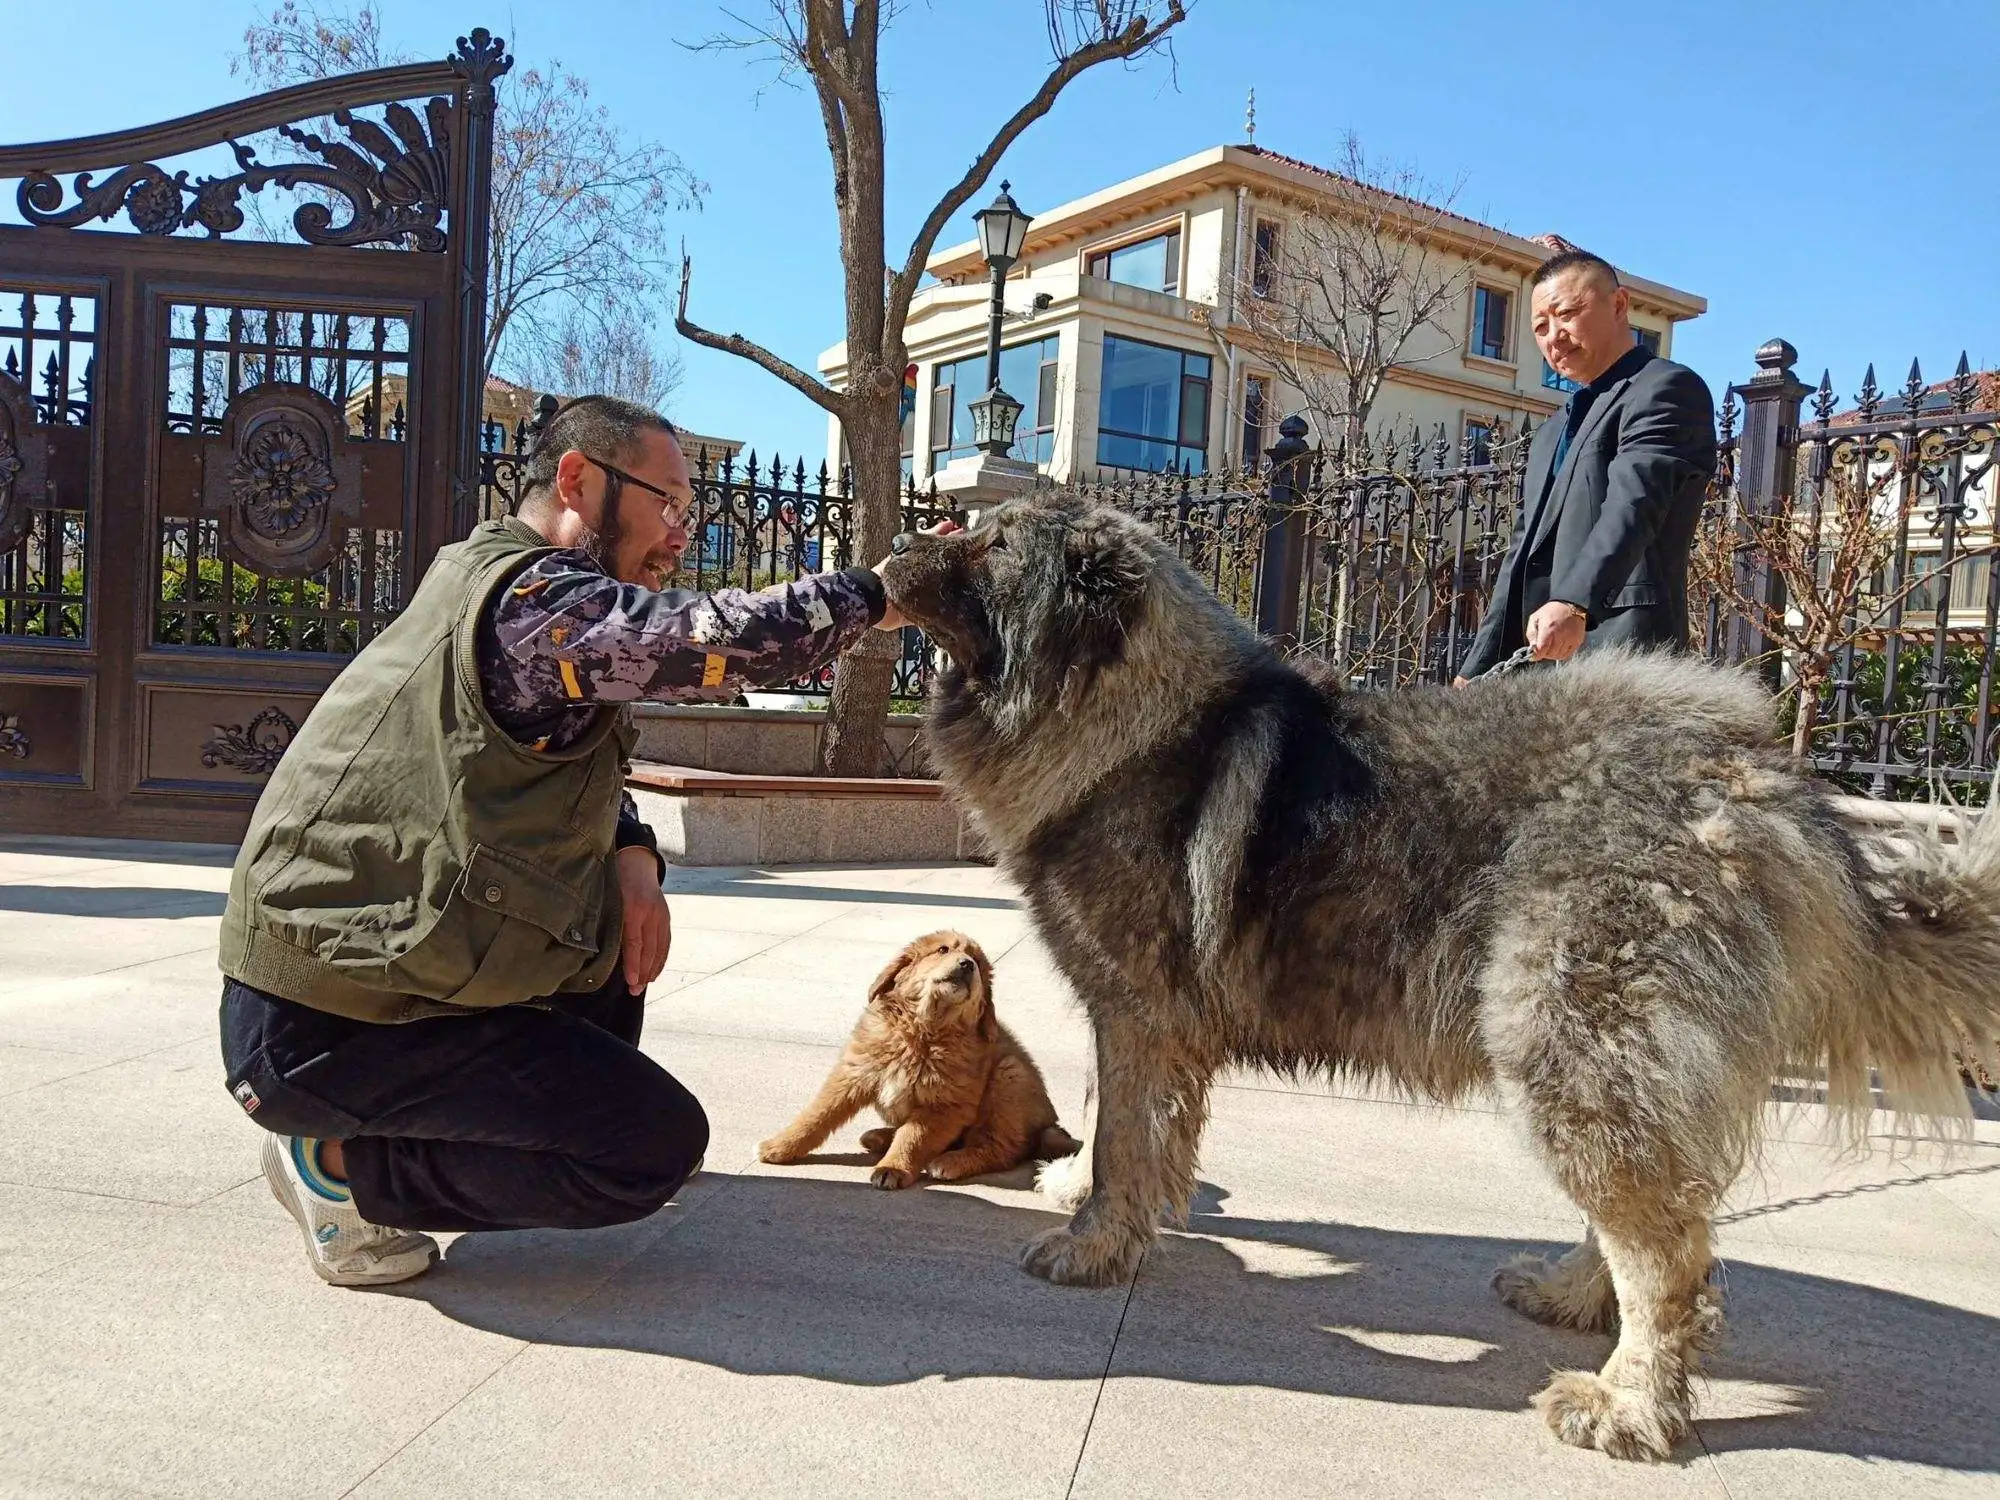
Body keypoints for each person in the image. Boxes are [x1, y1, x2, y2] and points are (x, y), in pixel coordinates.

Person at [218, 395, 929, 1285]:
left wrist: (633, 855)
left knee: (606, 946)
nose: (678, 534)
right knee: (646, 1151)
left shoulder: (519, 594)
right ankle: (340, 1174)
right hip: (320, 1025)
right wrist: (877, 592)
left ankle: (425, 1129)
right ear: (577, 481)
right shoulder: (530, 602)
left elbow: (571, 756)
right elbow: (710, 645)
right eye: (667, 503)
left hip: (376, 984)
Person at [1454, 249, 1716, 684]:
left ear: (1618, 305)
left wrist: (1576, 603)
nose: (1554, 336)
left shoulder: (1665, 389)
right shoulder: (1551, 431)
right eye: (1540, 326)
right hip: (1540, 663)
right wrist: (1476, 667)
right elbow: (1522, 551)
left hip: (1624, 653)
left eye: (1568, 313)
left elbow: (1633, 507)